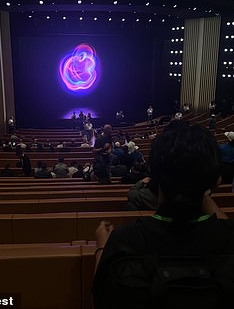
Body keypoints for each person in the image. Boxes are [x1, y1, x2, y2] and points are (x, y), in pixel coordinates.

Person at [92, 121, 234, 308]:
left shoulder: (126, 239)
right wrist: (199, 184)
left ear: (153, 176)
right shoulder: (227, 237)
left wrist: (102, 249)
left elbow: (101, 299)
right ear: (217, 182)